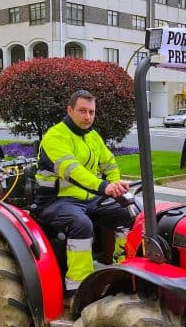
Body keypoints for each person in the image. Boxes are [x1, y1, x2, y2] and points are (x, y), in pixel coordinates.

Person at [34, 90, 132, 291]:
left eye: (91, 112)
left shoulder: (92, 136)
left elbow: (110, 163)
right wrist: (104, 186)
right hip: (56, 200)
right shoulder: (55, 137)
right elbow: (73, 171)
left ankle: (123, 269)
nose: (88, 117)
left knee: (127, 214)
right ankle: (78, 287)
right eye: (82, 111)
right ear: (70, 110)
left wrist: (116, 185)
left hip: (89, 198)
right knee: (81, 224)